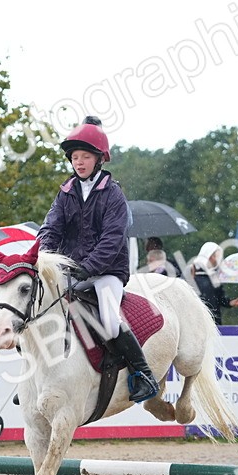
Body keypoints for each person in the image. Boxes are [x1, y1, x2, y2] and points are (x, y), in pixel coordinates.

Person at [39, 115, 158, 403]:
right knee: (40, 309)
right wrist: (42, 256)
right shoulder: (66, 192)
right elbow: (51, 228)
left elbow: (112, 240)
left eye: (85, 157)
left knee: (108, 321)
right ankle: (38, 379)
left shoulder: (113, 194)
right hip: (73, 269)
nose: (79, 162)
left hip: (107, 272)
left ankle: (143, 374)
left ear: (99, 159)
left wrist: (87, 268)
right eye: (75, 157)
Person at [190, 241, 238, 325]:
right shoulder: (192, 273)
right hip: (196, 321)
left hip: (214, 322)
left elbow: (220, 297)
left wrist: (230, 303)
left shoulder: (214, 277)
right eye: (215, 256)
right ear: (208, 256)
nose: (217, 259)